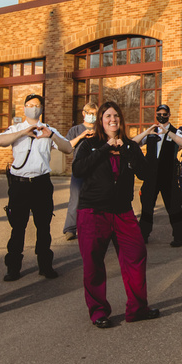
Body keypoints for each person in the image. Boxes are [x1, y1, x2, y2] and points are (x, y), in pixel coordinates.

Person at [72, 101, 160, 329]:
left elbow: (146, 172)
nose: (113, 119)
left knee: (136, 254)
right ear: (101, 120)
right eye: (108, 116)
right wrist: (104, 149)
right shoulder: (90, 144)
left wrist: (127, 151)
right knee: (93, 262)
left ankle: (137, 308)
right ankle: (99, 311)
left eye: (116, 116)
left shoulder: (129, 146)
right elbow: (78, 170)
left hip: (122, 211)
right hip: (93, 211)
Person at [0, 94, 73, 281]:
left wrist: (51, 135)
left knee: (43, 226)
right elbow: (0, 141)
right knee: (17, 227)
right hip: (19, 184)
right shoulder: (16, 129)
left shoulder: (49, 129)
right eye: (29, 105)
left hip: (41, 184)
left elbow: (68, 148)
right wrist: (23, 133)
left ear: (41, 108)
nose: (33, 108)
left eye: (36, 105)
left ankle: (45, 266)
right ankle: (13, 267)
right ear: (24, 108)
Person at [132, 104, 182, 247]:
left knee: (173, 206)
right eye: (159, 114)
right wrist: (146, 132)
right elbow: (132, 144)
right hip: (151, 176)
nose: (161, 116)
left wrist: (168, 132)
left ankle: (179, 236)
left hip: (168, 176)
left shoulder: (176, 131)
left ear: (169, 115)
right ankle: (143, 234)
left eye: (164, 114)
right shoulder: (152, 132)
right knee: (147, 205)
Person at [62, 102, 98, 241]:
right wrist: (81, 136)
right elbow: (67, 146)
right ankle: (70, 228)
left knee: (96, 199)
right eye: (89, 113)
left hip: (96, 170)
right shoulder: (75, 130)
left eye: (94, 114)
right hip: (79, 169)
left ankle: (95, 227)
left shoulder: (100, 129)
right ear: (83, 113)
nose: (92, 116)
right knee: (75, 198)